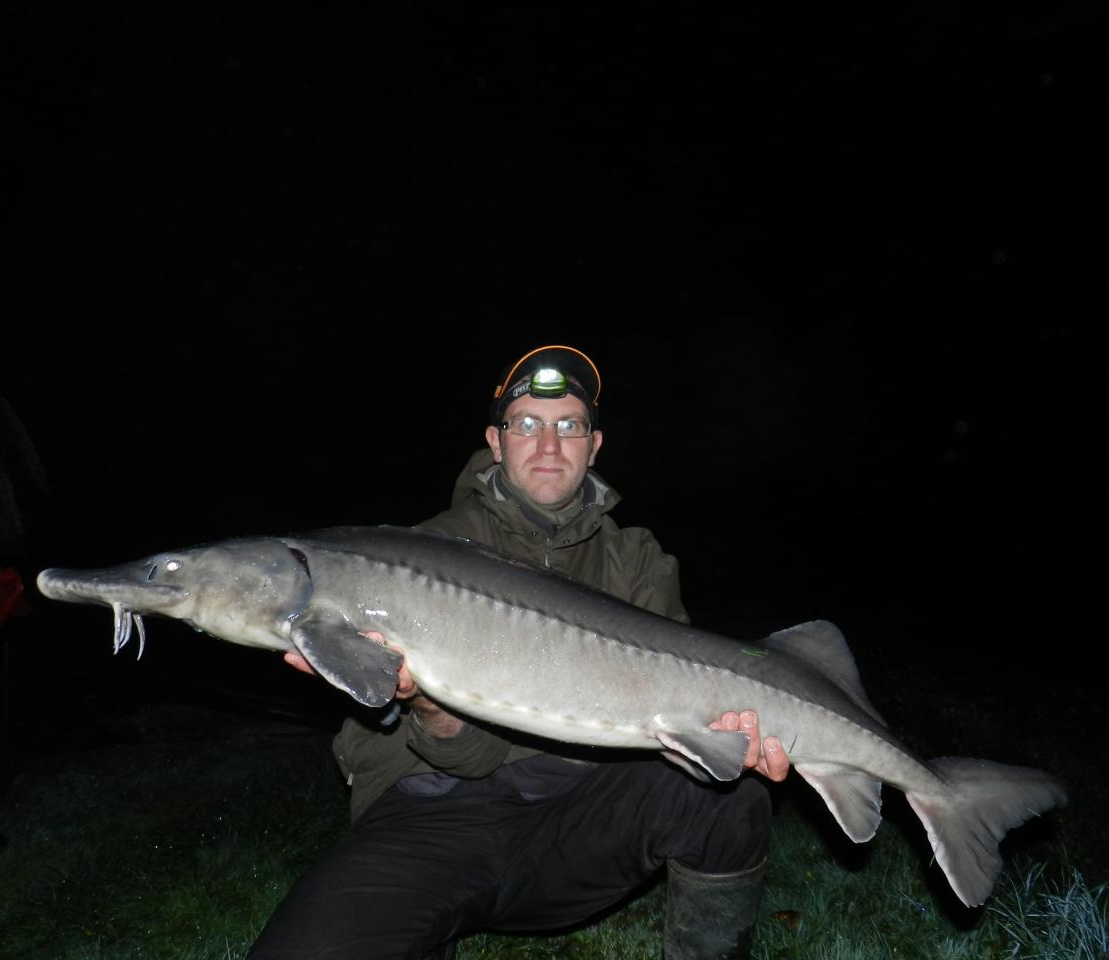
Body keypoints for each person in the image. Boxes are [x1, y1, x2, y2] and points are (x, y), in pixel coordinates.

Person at [248, 345, 790, 960]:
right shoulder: (413, 556)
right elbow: (467, 759)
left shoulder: (638, 561)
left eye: (569, 426)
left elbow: (676, 736)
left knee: (730, 799)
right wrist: (426, 703)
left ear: (595, 445)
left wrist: (728, 744)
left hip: (579, 819)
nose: (549, 443)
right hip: (430, 822)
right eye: (527, 424)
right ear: (496, 441)